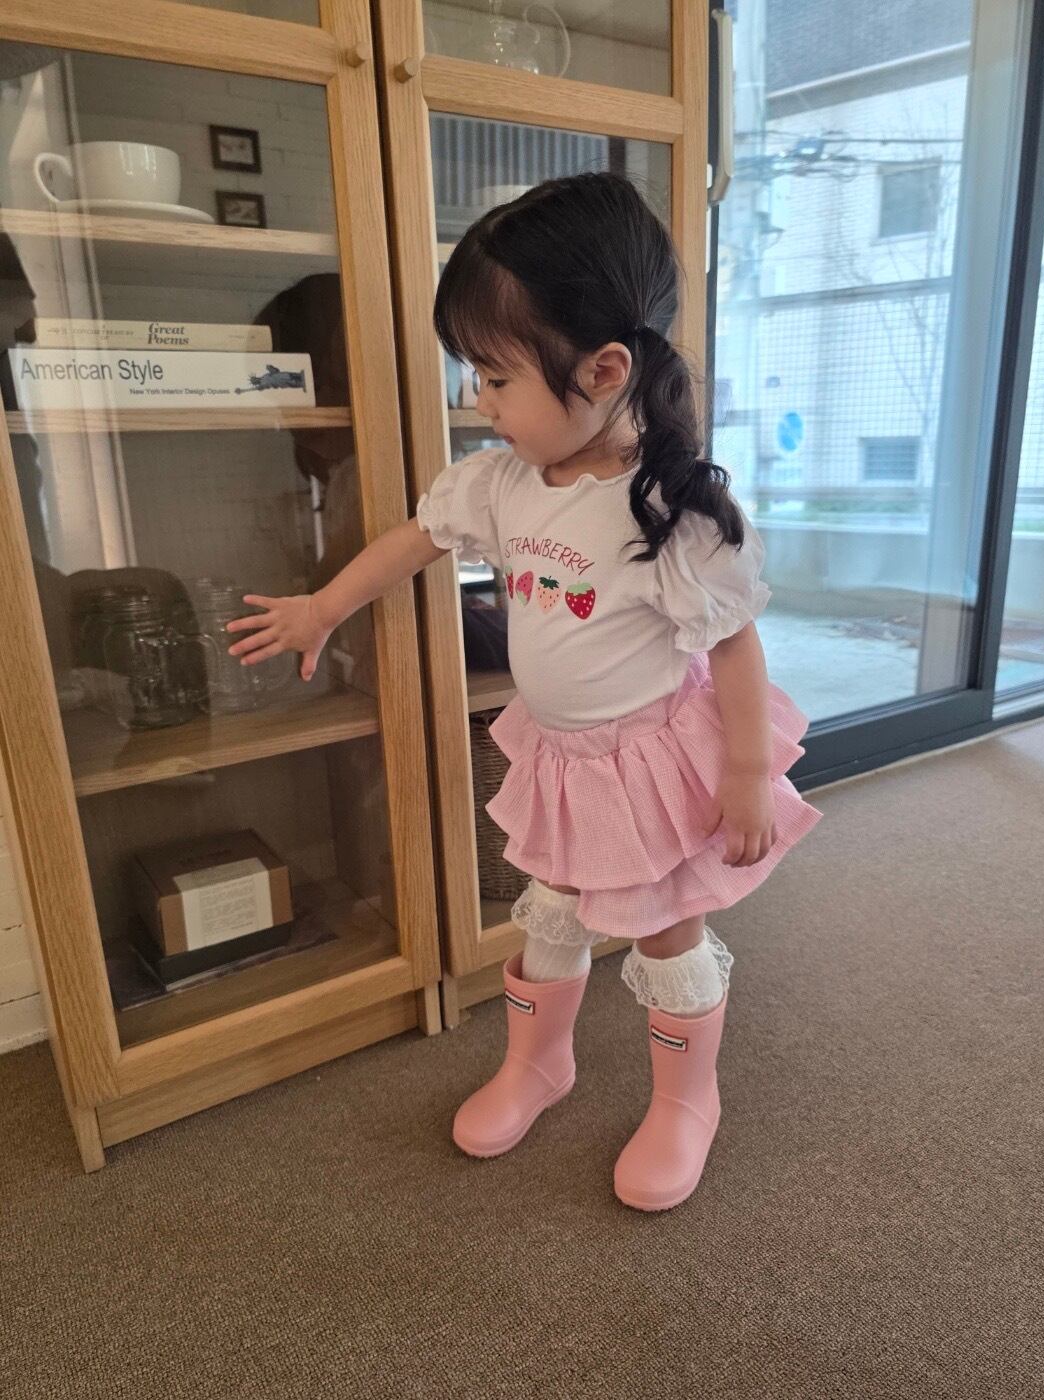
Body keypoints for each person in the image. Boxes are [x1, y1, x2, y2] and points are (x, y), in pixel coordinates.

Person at [225, 172, 823, 1212]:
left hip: (649, 762)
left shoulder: (672, 512)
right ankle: (538, 1065)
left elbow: (733, 647)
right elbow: (413, 542)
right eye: (476, 374)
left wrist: (743, 773)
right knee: (547, 914)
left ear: (603, 369)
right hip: (561, 755)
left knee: (663, 929)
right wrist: (324, 607)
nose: (478, 400)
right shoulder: (499, 485)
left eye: (497, 377)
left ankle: (687, 1102)